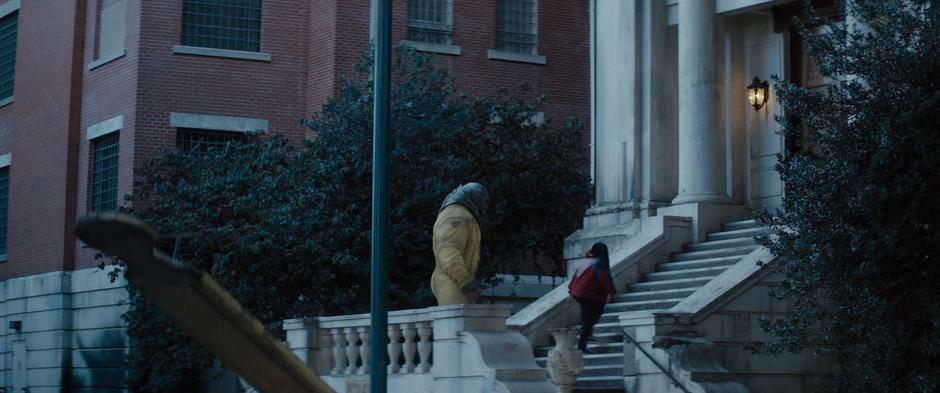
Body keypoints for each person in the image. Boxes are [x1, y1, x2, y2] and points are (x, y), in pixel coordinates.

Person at [431, 182, 490, 305]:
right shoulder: (457, 216)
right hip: (453, 284)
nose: (486, 205)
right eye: (485, 201)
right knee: (458, 322)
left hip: (456, 284)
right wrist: (466, 281)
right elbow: (449, 252)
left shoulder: (459, 214)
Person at [568, 242, 617, 353]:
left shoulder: (587, 261)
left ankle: (587, 331)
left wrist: (571, 289)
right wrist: (613, 292)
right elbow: (604, 280)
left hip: (579, 293)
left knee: (588, 316)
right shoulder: (600, 263)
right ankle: (582, 344)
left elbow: (576, 276)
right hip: (590, 295)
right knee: (591, 318)